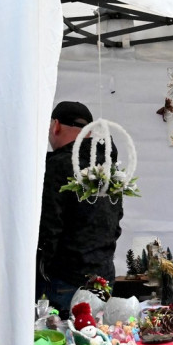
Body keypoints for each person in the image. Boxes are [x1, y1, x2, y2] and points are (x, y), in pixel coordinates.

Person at [38, 101, 123, 315]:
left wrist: (41, 270)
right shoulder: (108, 168)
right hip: (102, 277)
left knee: (65, 343)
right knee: (97, 339)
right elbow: (116, 224)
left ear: (55, 125)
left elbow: (48, 227)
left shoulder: (59, 165)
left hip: (65, 280)